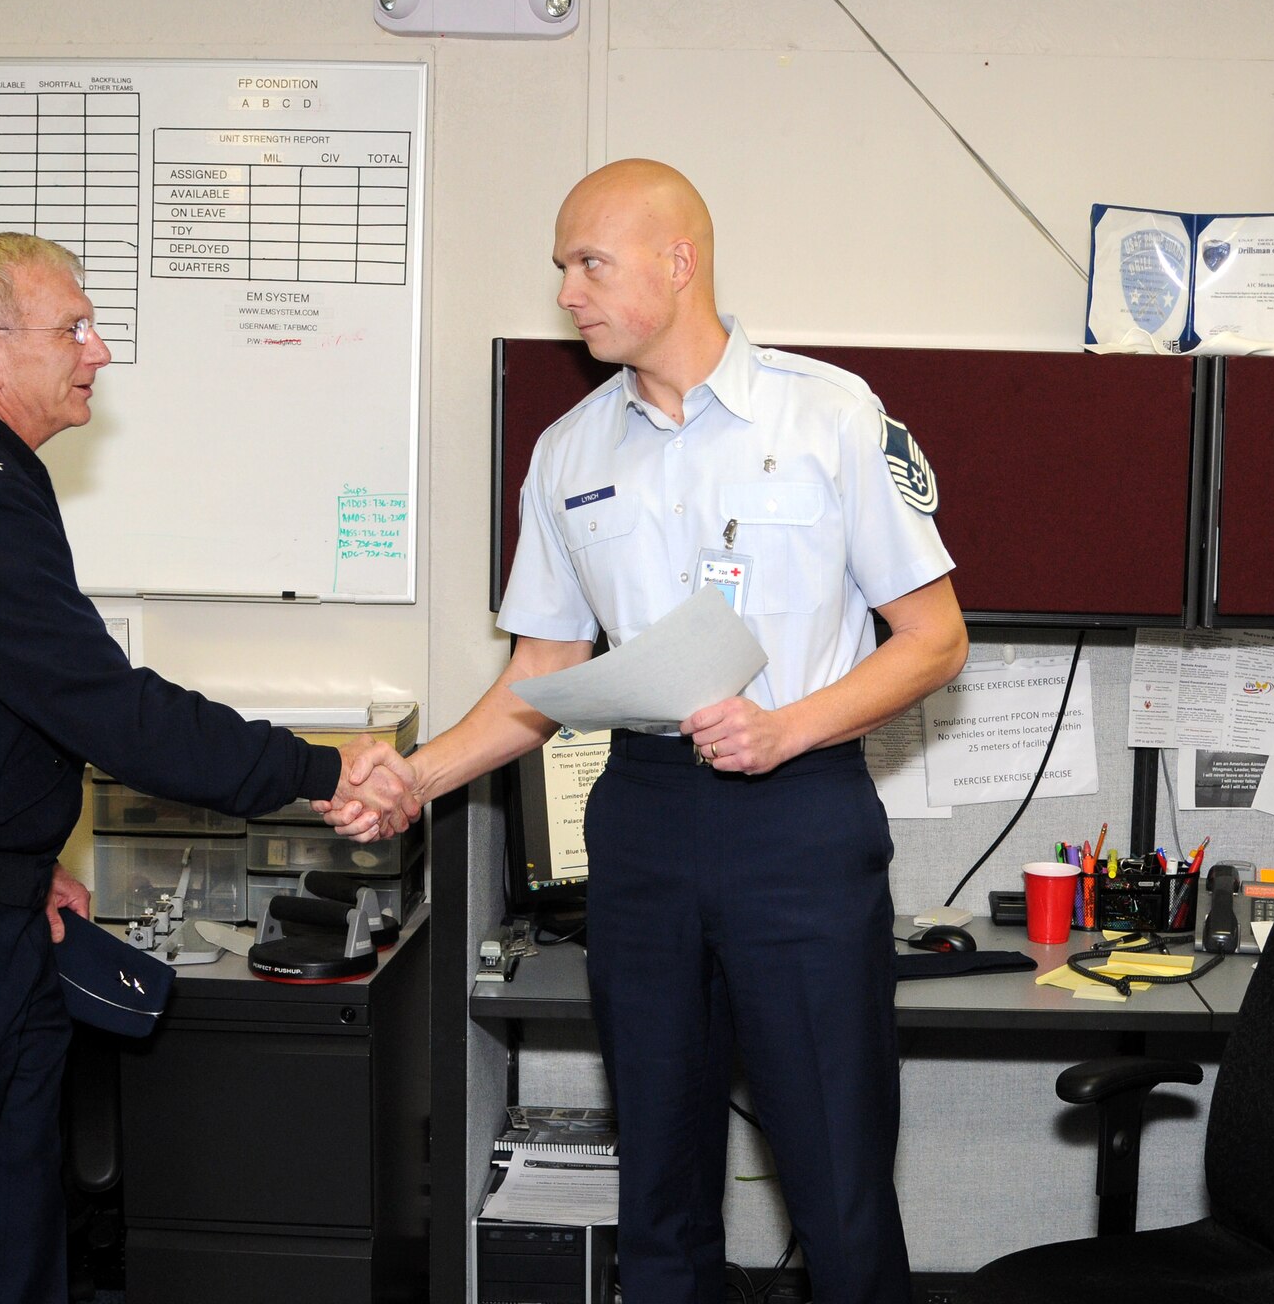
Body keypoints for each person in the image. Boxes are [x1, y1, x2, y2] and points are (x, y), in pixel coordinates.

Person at [331, 159, 967, 1301]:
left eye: (589, 262)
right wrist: (413, 777)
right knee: (659, 1179)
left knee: (836, 1171)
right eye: (561, 268)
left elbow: (931, 639)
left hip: (798, 815)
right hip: (643, 819)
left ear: (679, 264)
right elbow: (539, 673)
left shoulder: (829, 415)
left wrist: (786, 731)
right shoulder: (568, 452)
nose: (566, 292)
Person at [0, 233, 415, 1304]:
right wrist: (320, 764)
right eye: (71, 327)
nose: (99, 349)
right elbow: (107, 709)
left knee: (9, 1232)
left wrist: (26, 860)